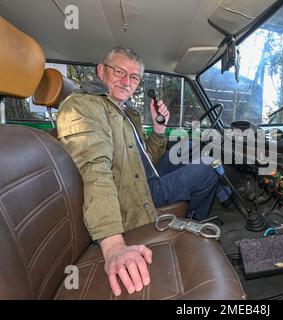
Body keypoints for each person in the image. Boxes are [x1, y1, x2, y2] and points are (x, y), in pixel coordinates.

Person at [56, 47, 228, 297]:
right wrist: (113, 245)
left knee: (189, 146)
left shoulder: (125, 111)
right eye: (119, 72)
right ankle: (194, 220)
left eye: (134, 77)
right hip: (133, 196)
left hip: (144, 179)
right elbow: (95, 171)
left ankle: (211, 201)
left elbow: (144, 158)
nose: (127, 82)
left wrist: (158, 130)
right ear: (101, 71)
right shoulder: (84, 106)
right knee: (207, 169)